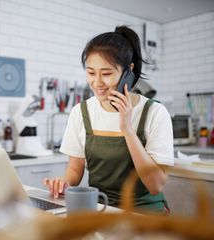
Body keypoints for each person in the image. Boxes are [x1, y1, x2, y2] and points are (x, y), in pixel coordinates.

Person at [43, 25, 174, 213]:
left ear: (128, 72)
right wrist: (63, 182)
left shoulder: (154, 112)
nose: (97, 82)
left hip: (145, 213)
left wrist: (127, 129)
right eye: (90, 73)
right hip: (100, 209)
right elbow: (75, 169)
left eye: (106, 74)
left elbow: (155, 186)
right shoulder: (81, 112)